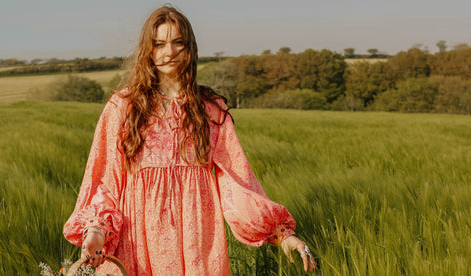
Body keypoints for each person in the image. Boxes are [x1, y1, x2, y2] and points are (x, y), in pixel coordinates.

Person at [63, 5, 317, 275]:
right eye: (159, 44)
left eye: (178, 43)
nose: (169, 52)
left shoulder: (211, 110)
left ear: (190, 48)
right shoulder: (123, 108)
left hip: (197, 245)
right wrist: (96, 232)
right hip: (135, 244)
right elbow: (105, 180)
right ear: (148, 50)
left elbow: (235, 183)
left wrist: (282, 234)